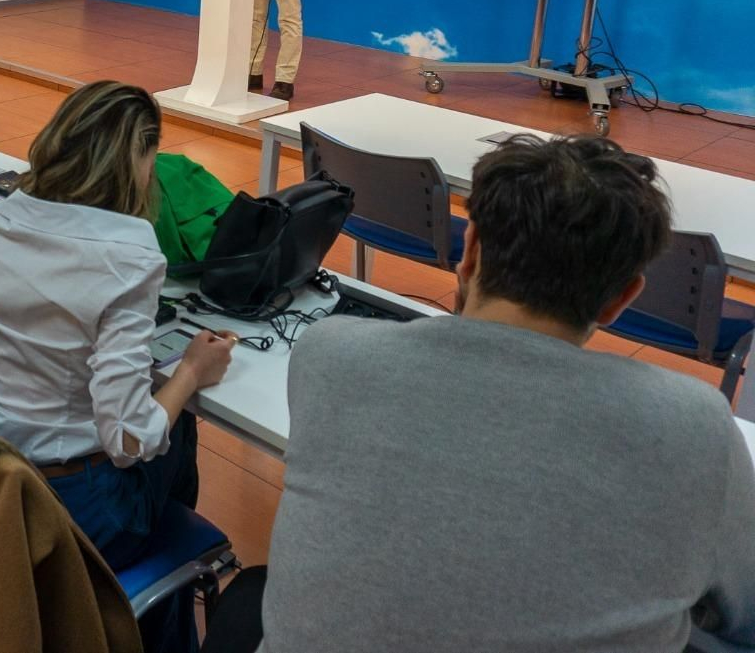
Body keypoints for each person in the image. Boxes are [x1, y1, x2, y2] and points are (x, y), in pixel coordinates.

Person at [255, 135, 755, 653]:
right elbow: (743, 617)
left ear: (469, 250)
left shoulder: (330, 353)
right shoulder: (696, 427)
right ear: (621, 299)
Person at [0, 80, 238, 653]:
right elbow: (126, 438)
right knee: (179, 424)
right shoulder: (131, 253)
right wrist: (191, 370)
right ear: (133, 158)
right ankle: (157, 590)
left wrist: (20, 341)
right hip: (79, 507)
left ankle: (140, 599)